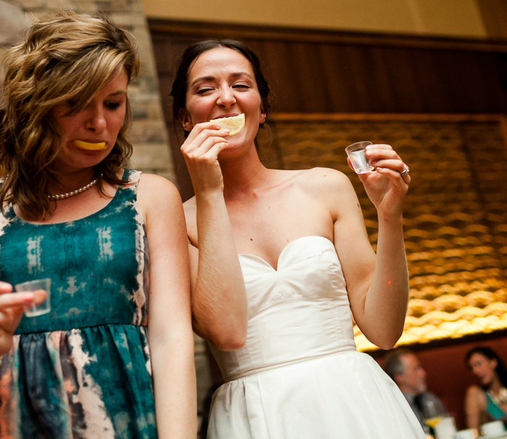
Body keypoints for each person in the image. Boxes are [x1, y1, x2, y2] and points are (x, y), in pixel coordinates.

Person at [0, 11, 196, 438]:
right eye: (76, 103)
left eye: (113, 103)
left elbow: (173, 341)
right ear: (35, 105)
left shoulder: (150, 198)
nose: (99, 123)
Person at [170, 39, 424, 438]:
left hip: (355, 403)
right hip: (256, 415)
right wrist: (208, 194)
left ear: (262, 108)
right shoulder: (176, 220)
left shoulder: (326, 186)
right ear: (186, 119)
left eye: (241, 85)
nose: (225, 99)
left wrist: (390, 217)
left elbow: (384, 329)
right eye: (205, 89)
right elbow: (226, 331)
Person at [384, 348, 447, 434]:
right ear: (399, 377)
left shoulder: (431, 399)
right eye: (416, 369)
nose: (423, 373)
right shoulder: (395, 407)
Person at [464, 346, 507, 431]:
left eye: (478, 364)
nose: (475, 371)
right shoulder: (476, 394)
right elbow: (473, 432)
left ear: (493, 362)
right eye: (472, 368)